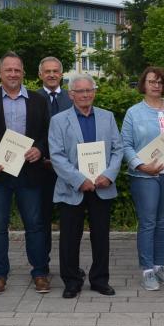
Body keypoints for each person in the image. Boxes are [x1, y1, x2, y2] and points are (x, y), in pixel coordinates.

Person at [0, 51, 52, 295]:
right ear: (0, 72)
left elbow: (48, 134)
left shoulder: (38, 100)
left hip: (30, 173)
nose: (13, 74)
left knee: (35, 225)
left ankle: (40, 272)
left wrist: (39, 148)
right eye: (8, 70)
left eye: (17, 70)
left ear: (23, 73)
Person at [48, 74, 123, 298]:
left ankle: (100, 280)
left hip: (102, 186)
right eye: (80, 91)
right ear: (71, 95)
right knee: (70, 237)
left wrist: (109, 175)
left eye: (89, 90)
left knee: (101, 237)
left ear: (94, 92)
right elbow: (57, 155)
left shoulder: (107, 117)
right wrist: (79, 180)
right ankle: (71, 281)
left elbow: (118, 149)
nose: (85, 95)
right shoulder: (59, 120)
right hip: (73, 188)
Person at [121, 66, 164, 291]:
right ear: (144, 84)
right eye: (152, 81)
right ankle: (147, 269)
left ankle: (160, 266)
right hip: (145, 175)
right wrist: (141, 165)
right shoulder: (134, 112)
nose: (156, 85)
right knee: (149, 222)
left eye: (160, 82)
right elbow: (126, 145)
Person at [35, 56, 72, 264]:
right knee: (42, 220)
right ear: (40, 74)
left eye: (55, 71)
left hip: (68, 169)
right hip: (41, 168)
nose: (51, 74)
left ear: (61, 74)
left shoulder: (72, 97)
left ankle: (68, 264)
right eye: (47, 71)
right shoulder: (32, 98)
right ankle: (42, 264)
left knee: (69, 220)